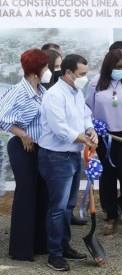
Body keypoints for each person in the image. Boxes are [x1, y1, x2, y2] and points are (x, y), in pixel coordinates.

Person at [38, 54, 98, 272]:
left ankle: (65, 246)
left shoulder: (76, 92)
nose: (85, 77)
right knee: (57, 208)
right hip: (56, 157)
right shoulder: (54, 95)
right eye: (81, 74)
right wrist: (84, 138)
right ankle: (54, 254)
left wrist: (91, 130)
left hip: (72, 155)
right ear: (68, 73)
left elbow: (85, 116)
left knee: (68, 206)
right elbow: (60, 128)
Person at [0, 49, 51, 261]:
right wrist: (22, 135)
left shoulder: (43, 91)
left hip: (42, 147)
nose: (48, 71)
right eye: (46, 67)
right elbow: (3, 117)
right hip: (23, 148)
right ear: (36, 70)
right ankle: (21, 249)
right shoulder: (18, 92)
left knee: (42, 194)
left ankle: (40, 244)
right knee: (26, 194)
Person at [86, 50, 122, 236]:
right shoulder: (96, 84)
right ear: (108, 66)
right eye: (117, 66)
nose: (121, 70)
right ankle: (110, 216)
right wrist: (91, 131)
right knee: (107, 177)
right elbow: (88, 109)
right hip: (103, 137)